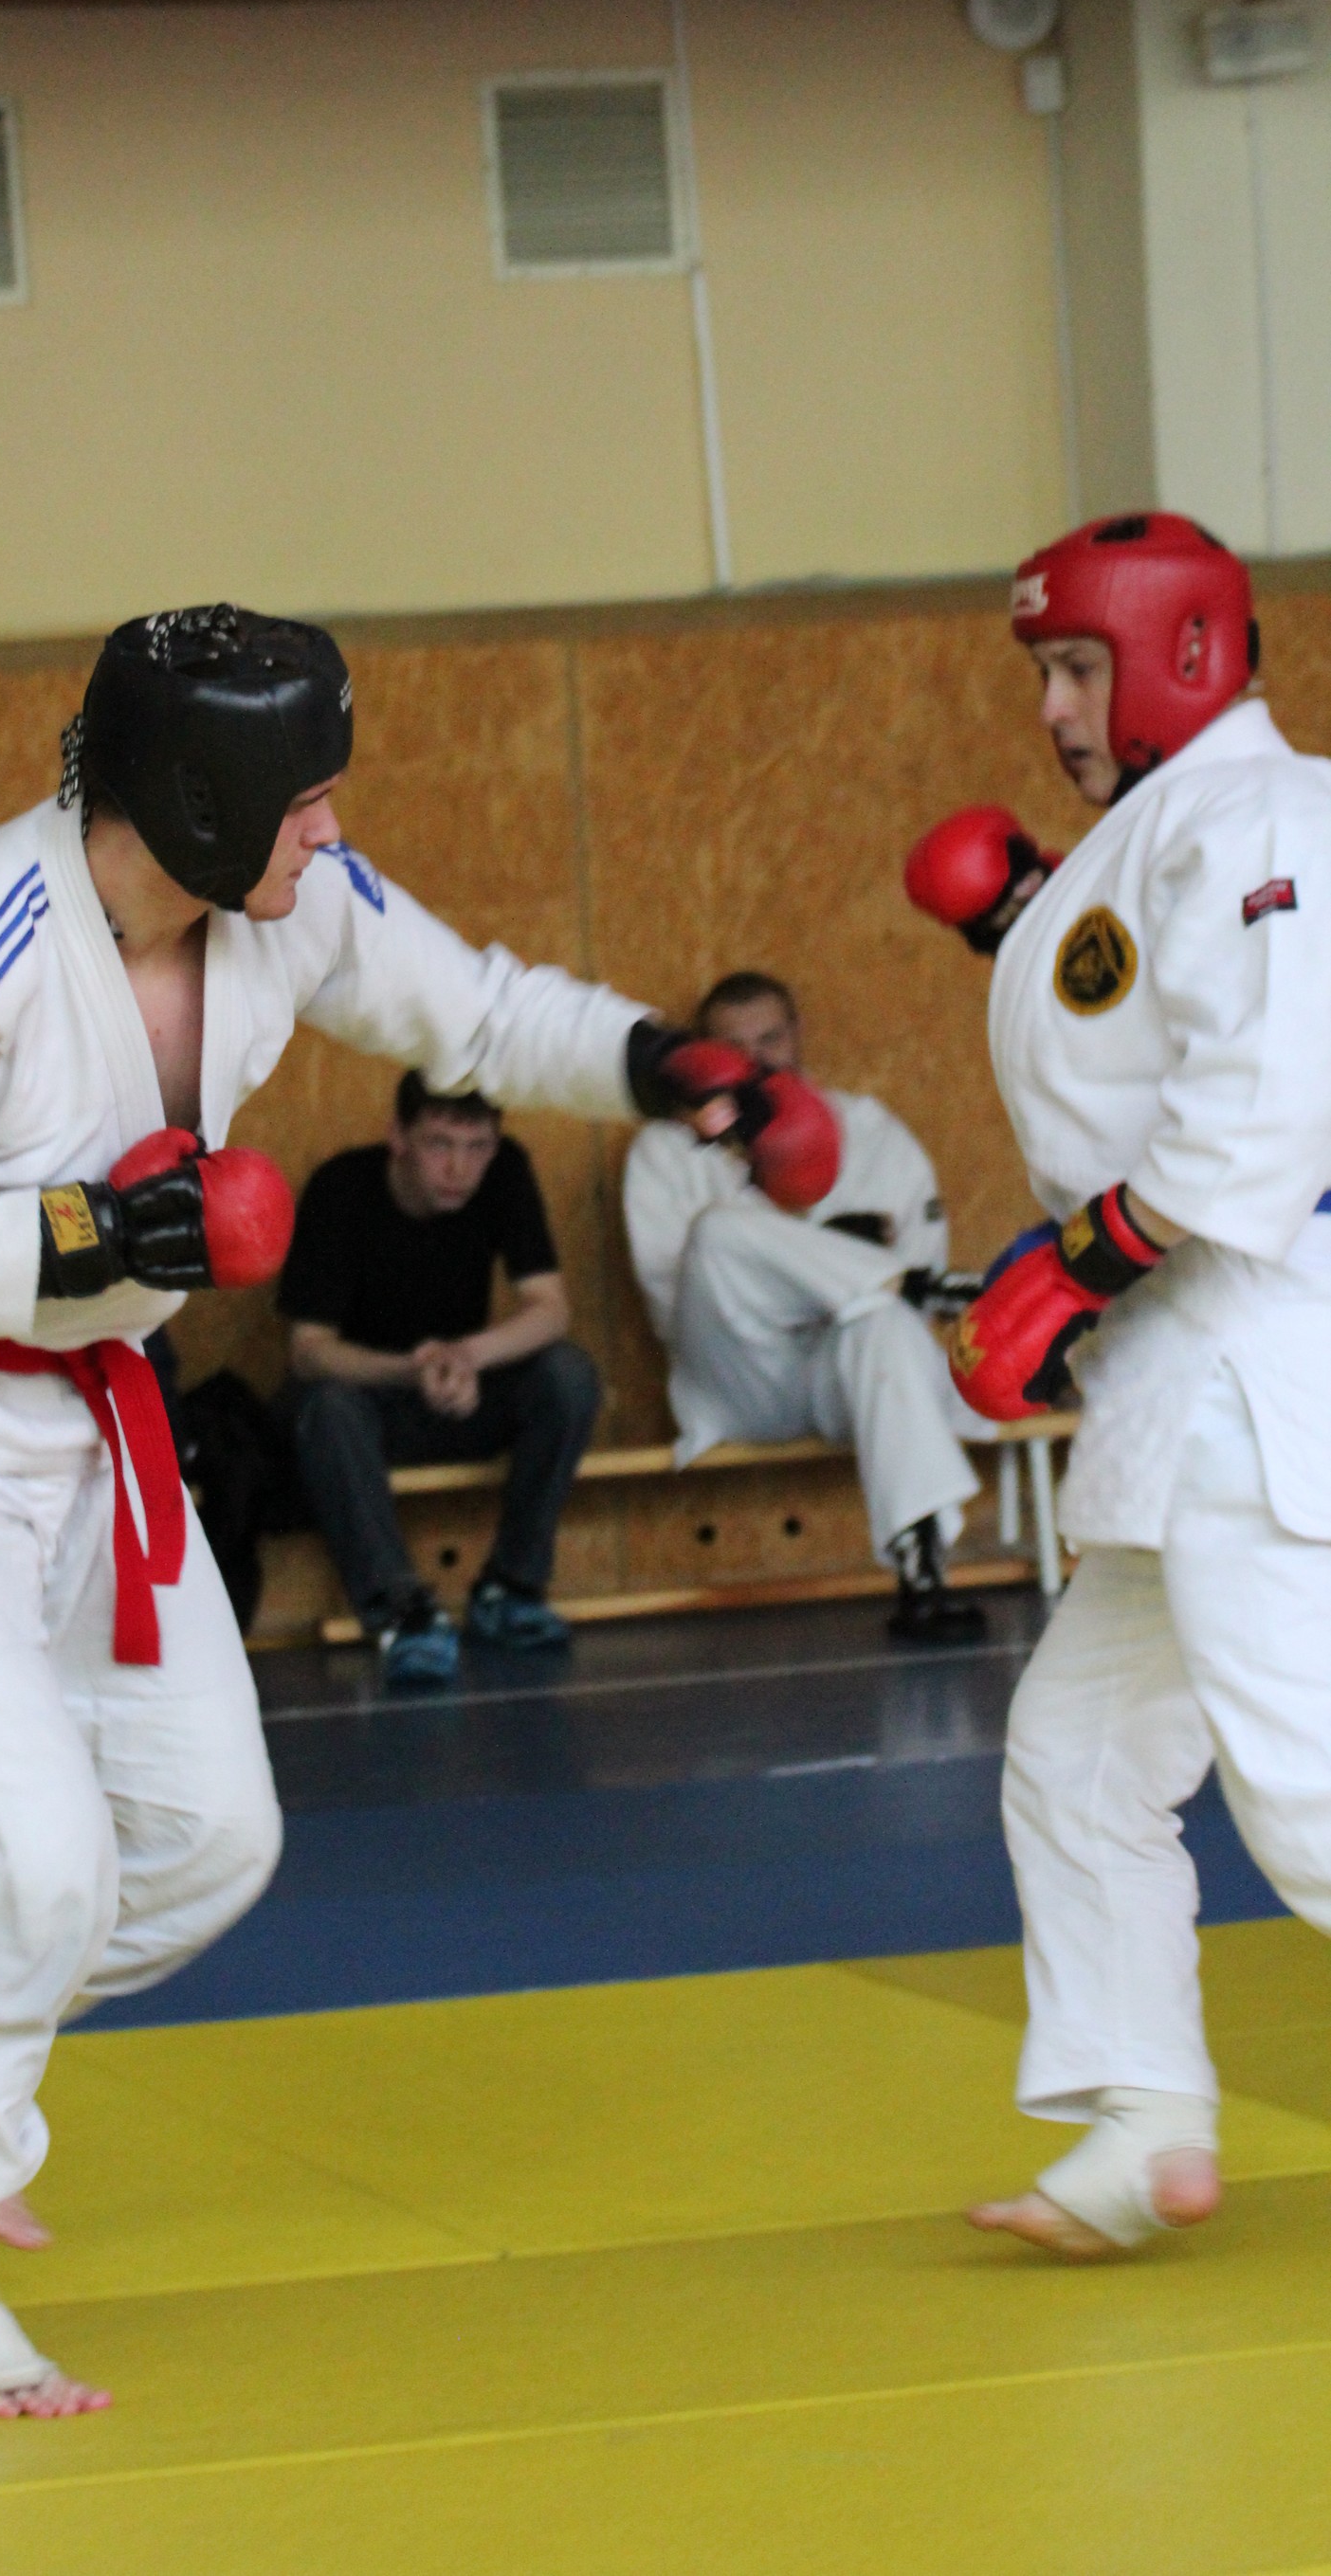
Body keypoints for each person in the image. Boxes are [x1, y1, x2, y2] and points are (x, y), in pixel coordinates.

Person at [0, 602, 739, 2423]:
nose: (329, 832)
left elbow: (476, 1008)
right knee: (29, 1855)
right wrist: (77, 1237)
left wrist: (650, 1064)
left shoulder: (295, 909)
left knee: (207, 1841)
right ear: (195, 803)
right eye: (299, 802)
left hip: (85, 1413)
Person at [909, 511, 1331, 2259]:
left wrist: (1068, 1267)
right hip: (1182, 1376)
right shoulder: (1166, 833)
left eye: (1079, 667)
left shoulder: (1262, 815)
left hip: (1260, 1363)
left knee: (1307, 1792)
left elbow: (1264, 1098)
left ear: (1189, 652)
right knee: (1080, 1752)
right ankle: (1144, 2119)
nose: (1054, 708)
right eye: (1042, 673)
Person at [622, 971, 984, 1644]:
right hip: (739, 1378)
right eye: (734, 1048)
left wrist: (821, 1272)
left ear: (797, 1037)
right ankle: (902, 1281)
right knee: (718, 1234)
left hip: (843, 1376)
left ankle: (922, 1564)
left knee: (884, 1322)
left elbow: (915, 1278)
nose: (756, 1061)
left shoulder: (868, 1132)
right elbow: (676, 1308)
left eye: (770, 1040)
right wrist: (814, 1256)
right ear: (704, 1055)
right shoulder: (665, 1153)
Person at [281, 1073, 599, 1676]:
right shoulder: (341, 1188)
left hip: (464, 1392)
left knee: (568, 1376)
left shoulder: (505, 1171)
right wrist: (411, 1368)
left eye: (477, 1147)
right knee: (324, 1405)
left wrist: (468, 1357)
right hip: (374, 1401)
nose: (459, 1168)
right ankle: (400, 1612)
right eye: (439, 1145)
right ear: (398, 1137)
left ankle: (512, 1586)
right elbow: (309, 1349)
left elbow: (550, 1308)